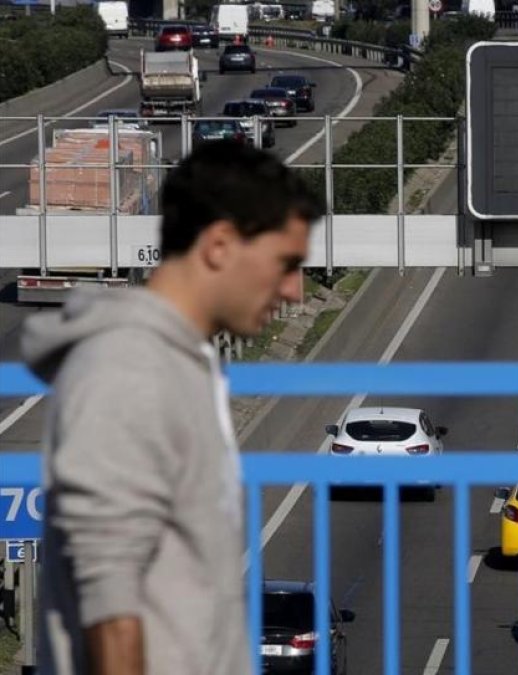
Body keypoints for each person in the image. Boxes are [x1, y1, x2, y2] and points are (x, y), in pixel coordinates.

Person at [22, 140, 323, 675]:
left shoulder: (179, 365)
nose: (295, 291)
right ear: (220, 246)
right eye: (284, 263)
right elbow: (112, 605)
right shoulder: (128, 371)